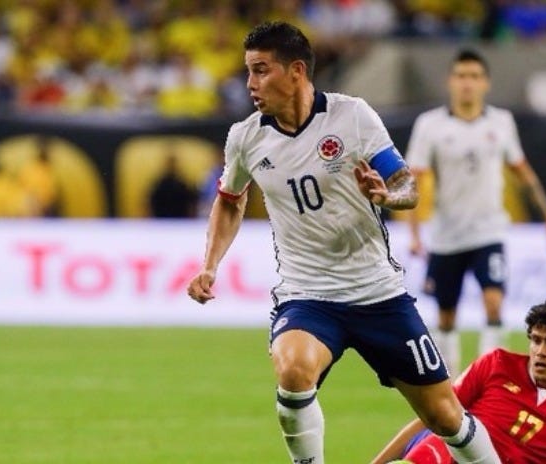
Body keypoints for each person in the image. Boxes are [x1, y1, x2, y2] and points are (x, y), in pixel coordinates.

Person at [187, 21, 501, 464]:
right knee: (294, 370)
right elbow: (229, 201)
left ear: (296, 71)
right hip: (308, 294)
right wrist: (210, 263)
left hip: (378, 293)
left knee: (445, 416)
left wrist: (386, 195)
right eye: (249, 72)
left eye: (261, 70)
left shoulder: (352, 116)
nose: (250, 84)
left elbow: (407, 186)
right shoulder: (245, 136)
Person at [405, 49, 546, 375]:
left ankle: (491, 378)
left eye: (474, 77)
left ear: (485, 83)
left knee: (494, 302)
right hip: (447, 235)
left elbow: (522, 170)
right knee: (446, 314)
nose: (467, 84)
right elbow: (413, 183)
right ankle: (449, 381)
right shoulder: (430, 125)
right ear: (451, 81)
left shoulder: (501, 122)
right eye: (461, 76)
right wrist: (415, 234)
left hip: (489, 232)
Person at [371, 297, 546, 464]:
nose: (540, 351)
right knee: (441, 441)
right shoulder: (496, 364)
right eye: (535, 340)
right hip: (450, 457)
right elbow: (433, 417)